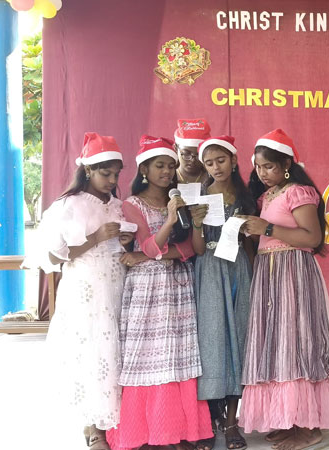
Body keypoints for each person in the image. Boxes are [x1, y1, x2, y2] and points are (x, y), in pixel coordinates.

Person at [107, 135, 213, 450]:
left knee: (178, 356)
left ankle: (177, 432)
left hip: (178, 286)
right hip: (147, 291)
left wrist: (151, 253)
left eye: (170, 165)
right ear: (144, 170)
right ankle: (149, 433)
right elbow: (149, 245)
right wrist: (167, 223)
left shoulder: (180, 199)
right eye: (159, 166)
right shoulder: (132, 204)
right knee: (147, 357)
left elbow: (191, 249)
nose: (167, 172)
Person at [29, 133, 132, 449]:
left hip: (117, 284)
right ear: (88, 170)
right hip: (86, 290)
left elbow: (123, 247)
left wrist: (125, 241)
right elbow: (54, 255)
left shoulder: (117, 205)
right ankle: (94, 427)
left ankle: (117, 425)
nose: (112, 181)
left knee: (116, 353)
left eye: (116, 175)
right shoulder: (69, 205)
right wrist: (96, 237)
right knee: (92, 354)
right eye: (105, 173)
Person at [239, 129, 329, 450]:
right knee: (278, 343)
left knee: (297, 343)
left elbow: (312, 238)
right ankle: (289, 420)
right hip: (269, 276)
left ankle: (308, 427)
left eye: (269, 166)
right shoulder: (268, 196)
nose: (262, 172)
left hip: (293, 274)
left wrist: (267, 227)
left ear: (286, 165)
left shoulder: (298, 192)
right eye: (258, 166)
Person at [191, 135, 256, 450]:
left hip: (238, 269)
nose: (215, 167)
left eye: (221, 160)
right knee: (212, 342)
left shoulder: (247, 196)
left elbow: (253, 245)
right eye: (209, 163)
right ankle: (209, 418)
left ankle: (232, 422)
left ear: (233, 160)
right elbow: (197, 249)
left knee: (239, 340)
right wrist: (196, 224)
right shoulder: (201, 196)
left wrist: (248, 230)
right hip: (209, 270)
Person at [175, 118, 212, 185]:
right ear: (175, 148)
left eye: (198, 155)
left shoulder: (212, 177)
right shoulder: (168, 178)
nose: (192, 160)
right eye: (186, 154)